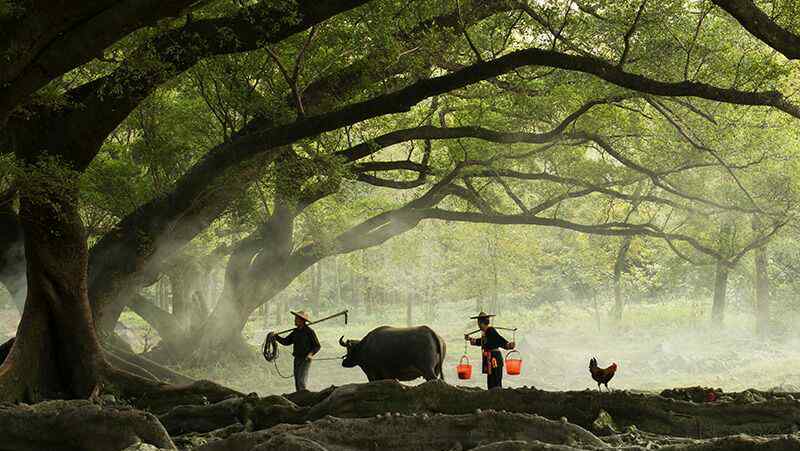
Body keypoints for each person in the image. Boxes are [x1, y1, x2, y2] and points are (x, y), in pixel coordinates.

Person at [464, 311, 515, 389]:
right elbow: (480, 342)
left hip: (494, 359)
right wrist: (469, 339)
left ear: (481, 323)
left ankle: (497, 397)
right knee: (491, 381)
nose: (478, 325)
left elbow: (499, 340)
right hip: (490, 359)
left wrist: (508, 345)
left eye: (479, 323)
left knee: (495, 381)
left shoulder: (490, 330)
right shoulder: (486, 333)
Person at [274, 310, 321, 392]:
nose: (295, 320)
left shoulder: (309, 332)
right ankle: (300, 397)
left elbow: (317, 346)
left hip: (305, 359)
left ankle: (304, 400)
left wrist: (310, 354)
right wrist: (276, 336)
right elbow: (286, 341)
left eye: (296, 319)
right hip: (297, 359)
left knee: (301, 381)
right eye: (295, 318)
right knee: (297, 381)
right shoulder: (295, 332)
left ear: (302, 321)